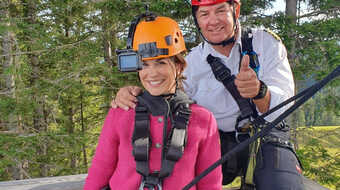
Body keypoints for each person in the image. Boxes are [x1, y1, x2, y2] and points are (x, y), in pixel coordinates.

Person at [112, 0, 305, 189]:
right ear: (197, 20)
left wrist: (259, 92)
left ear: (235, 10)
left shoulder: (266, 44)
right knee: (175, 176)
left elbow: (284, 107)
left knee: (282, 185)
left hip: (266, 138)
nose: (213, 21)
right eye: (204, 14)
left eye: (220, 11)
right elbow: (166, 103)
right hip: (217, 143)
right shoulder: (192, 65)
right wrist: (133, 95)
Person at [84, 13, 222, 190]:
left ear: (179, 66)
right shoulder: (122, 111)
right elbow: (100, 171)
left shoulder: (203, 120)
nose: (152, 73)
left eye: (161, 63)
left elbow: (210, 182)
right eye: (145, 64)